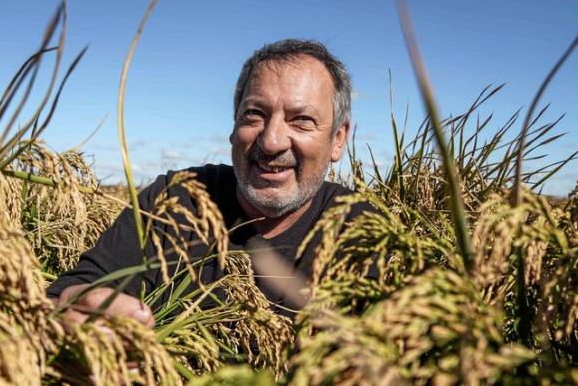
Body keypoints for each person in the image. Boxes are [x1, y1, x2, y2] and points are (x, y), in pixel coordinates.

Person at [48, 39, 374, 329]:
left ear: (338, 140)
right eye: (254, 114)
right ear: (233, 128)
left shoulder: (359, 229)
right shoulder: (175, 199)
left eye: (301, 120)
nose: (271, 141)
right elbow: (72, 292)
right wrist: (73, 309)